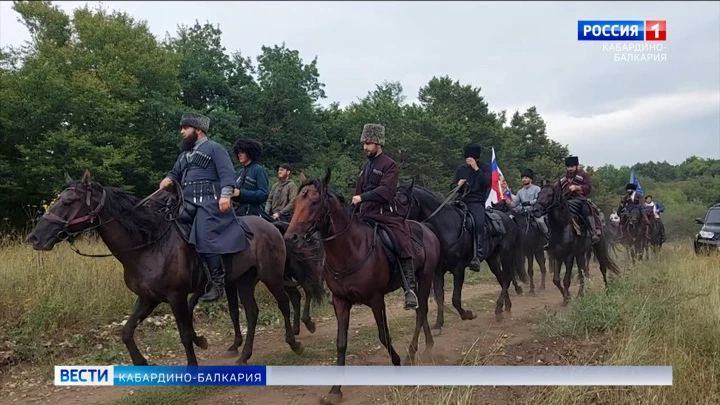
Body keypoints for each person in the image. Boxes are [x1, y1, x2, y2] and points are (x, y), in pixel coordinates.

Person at [160, 112, 250, 302]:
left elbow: (227, 174)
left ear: (198, 130)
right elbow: (174, 172)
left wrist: (226, 195)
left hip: (210, 203)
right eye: (182, 128)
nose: (182, 132)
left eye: (186, 128)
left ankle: (217, 283)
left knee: (204, 231)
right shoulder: (185, 155)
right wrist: (168, 179)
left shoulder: (214, 148)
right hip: (185, 202)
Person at [351, 123, 418, 310]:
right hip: (365, 214)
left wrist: (362, 197)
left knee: (402, 241)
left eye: (369, 143)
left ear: (378, 143)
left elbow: (386, 191)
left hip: (386, 215)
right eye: (364, 143)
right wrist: (352, 210)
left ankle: (409, 289)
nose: (365, 147)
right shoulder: (365, 166)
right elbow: (358, 191)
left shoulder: (389, 165)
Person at [453, 145, 492, 270]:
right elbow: (452, 186)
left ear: (476, 158)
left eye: (470, 158)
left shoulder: (485, 168)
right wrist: (457, 185)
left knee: (479, 223)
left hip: (476, 202)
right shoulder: (461, 169)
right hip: (461, 200)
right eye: (466, 158)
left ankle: (478, 255)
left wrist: (476, 169)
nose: (467, 160)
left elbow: (487, 183)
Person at [558, 156, 600, 243]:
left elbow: (588, 187)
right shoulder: (562, 177)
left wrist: (577, 187)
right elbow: (557, 188)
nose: (570, 169)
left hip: (579, 199)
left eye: (572, 167)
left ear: (576, 166)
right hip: (565, 200)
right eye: (568, 167)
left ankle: (592, 232)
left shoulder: (584, 175)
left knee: (586, 210)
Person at [231, 139, 271, 220]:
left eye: (242, 152)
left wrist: (241, 193)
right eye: (238, 152)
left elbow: (263, 194)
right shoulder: (240, 172)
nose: (239, 154)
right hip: (238, 211)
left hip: (254, 213)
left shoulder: (258, 170)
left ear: (250, 152)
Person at [511, 168, 550, 249]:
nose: (524, 179)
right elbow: (515, 203)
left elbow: (538, 199)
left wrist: (529, 202)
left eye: (526, 177)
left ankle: (547, 239)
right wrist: (506, 204)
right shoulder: (520, 192)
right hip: (523, 213)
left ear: (530, 179)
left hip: (535, 212)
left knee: (540, 222)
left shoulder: (537, 189)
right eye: (523, 178)